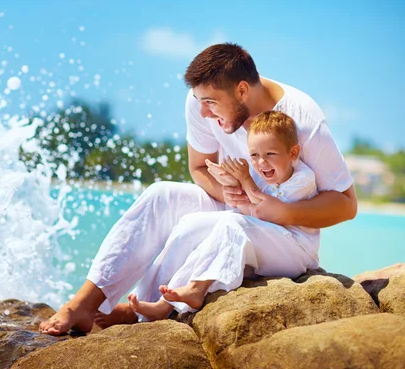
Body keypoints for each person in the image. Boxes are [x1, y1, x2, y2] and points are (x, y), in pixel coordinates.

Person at [39, 43, 356, 336]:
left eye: (211, 103)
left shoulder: (303, 117)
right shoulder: (201, 102)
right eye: (200, 101)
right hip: (240, 209)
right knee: (162, 194)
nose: (204, 112)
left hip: (283, 231)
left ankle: (142, 312)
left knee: (228, 224)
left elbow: (346, 203)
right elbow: (199, 168)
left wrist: (280, 211)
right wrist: (227, 192)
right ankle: (87, 303)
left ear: (242, 90)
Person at [126, 110, 320, 320]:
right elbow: (247, 209)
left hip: (295, 251)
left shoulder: (303, 179)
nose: (261, 162)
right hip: (267, 243)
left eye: (270, 154)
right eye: (254, 155)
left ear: (292, 153)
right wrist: (230, 183)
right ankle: (153, 304)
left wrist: (244, 180)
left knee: (232, 223)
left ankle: (195, 290)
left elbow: (264, 213)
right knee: (191, 225)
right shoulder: (266, 171)